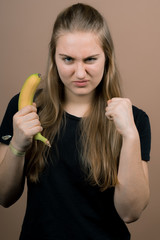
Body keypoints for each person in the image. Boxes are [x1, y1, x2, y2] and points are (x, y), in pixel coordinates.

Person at [0, 3, 151, 240]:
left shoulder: (135, 120)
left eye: (90, 59)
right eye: (68, 59)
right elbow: (4, 197)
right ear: (54, 58)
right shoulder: (25, 109)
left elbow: (130, 213)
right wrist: (18, 145)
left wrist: (130, 136)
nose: (80, 73)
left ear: (107, 58)